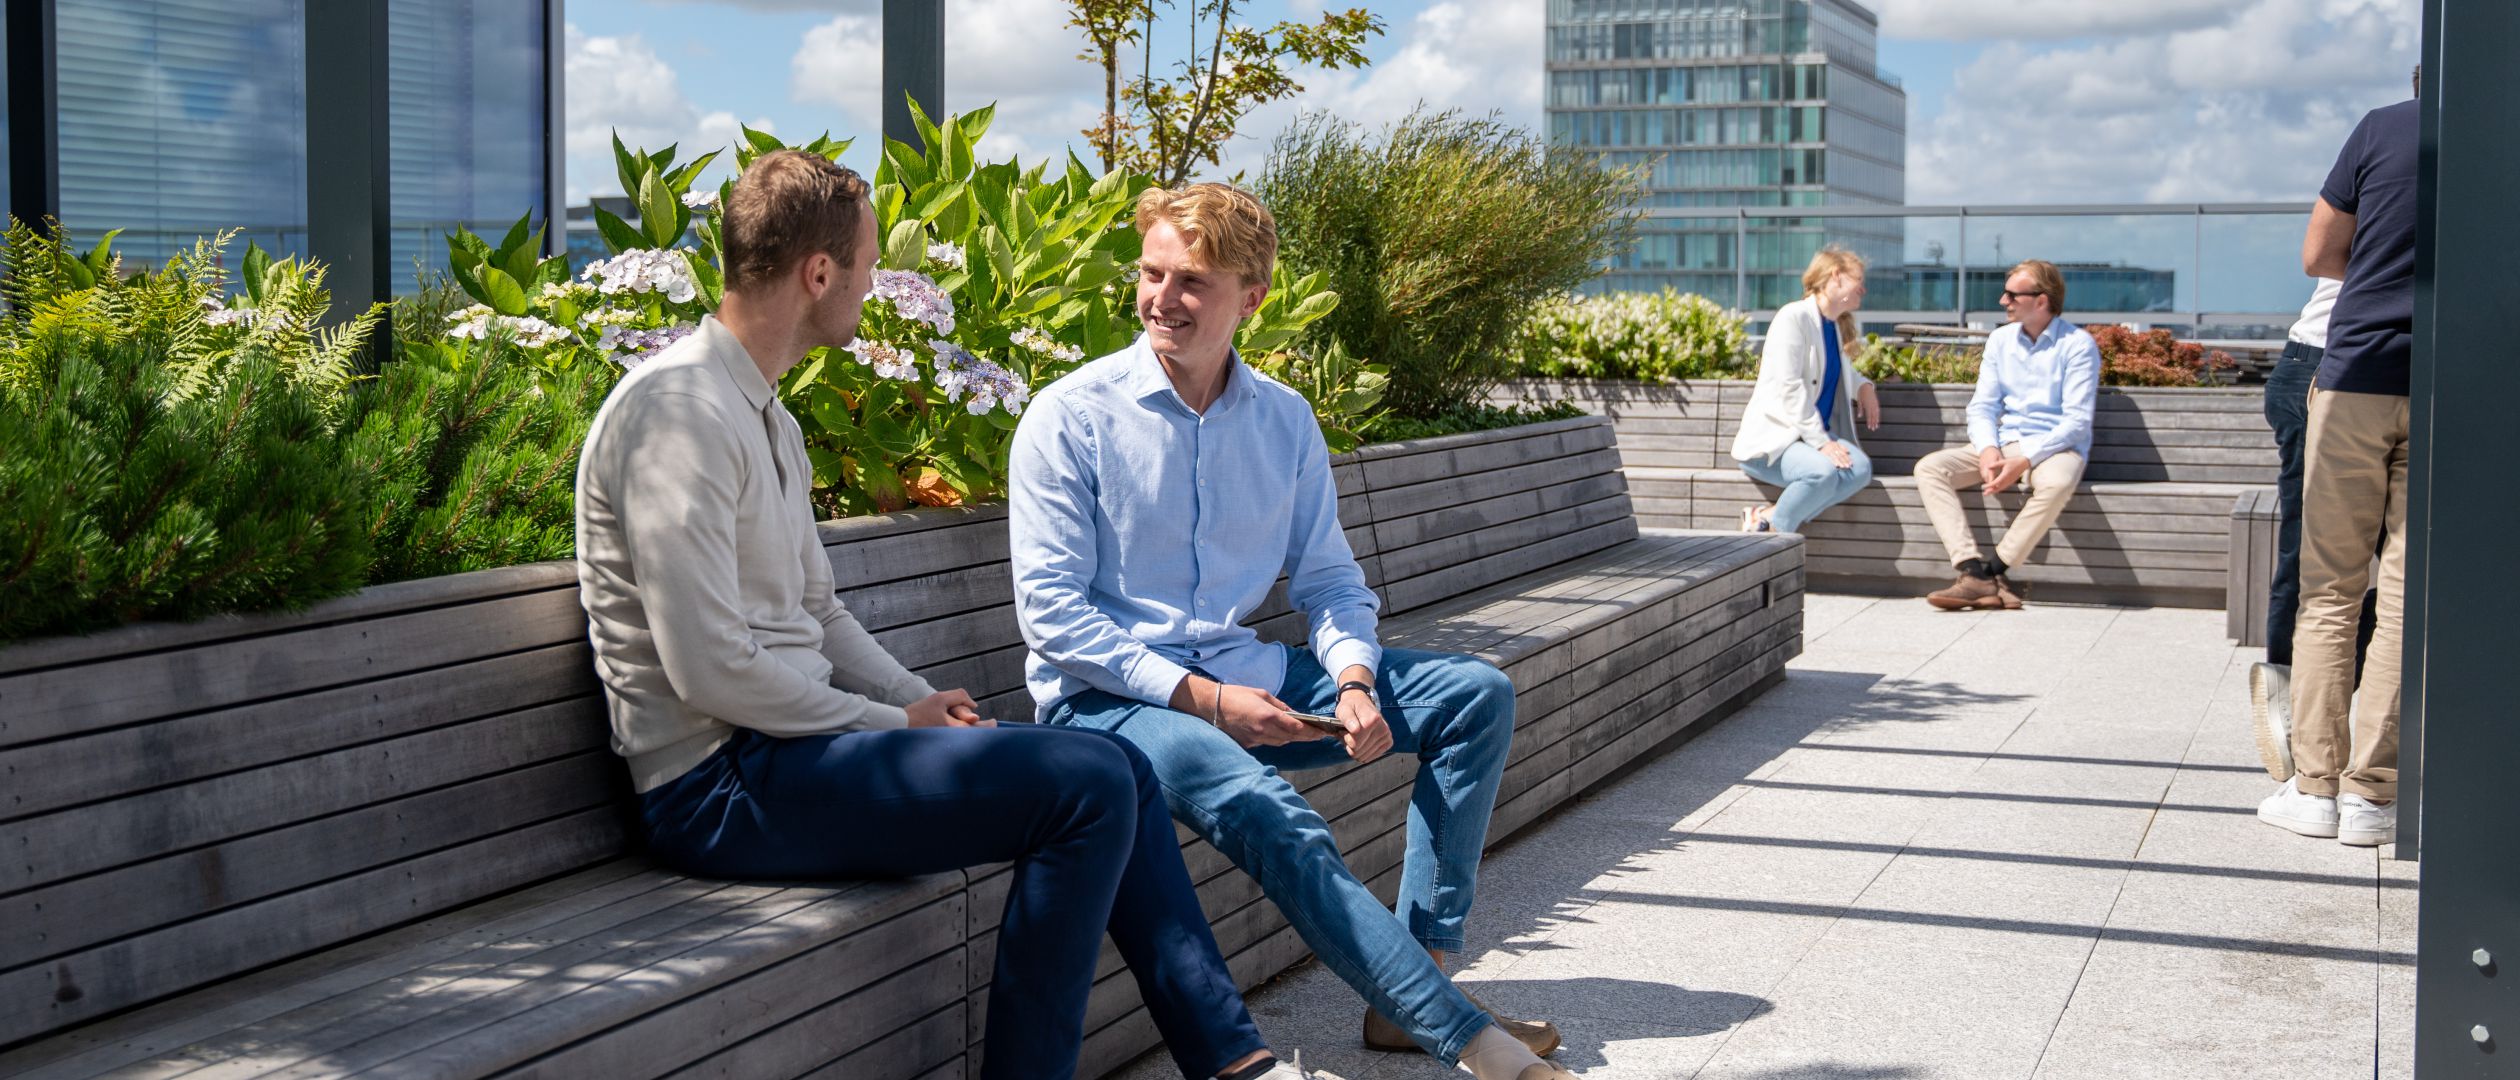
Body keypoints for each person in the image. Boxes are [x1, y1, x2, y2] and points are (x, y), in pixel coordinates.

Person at [574, 151, 1319, 1080]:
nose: (873, 282)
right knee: (1085, 787)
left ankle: (1230, 1062)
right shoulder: (679, 416)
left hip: (797, 752)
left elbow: (818, 610)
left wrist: (917, 698)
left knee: (1116, 765)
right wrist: (891, 721)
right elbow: (709, 672)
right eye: (867, 263)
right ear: (818, 275)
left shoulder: (764, 413)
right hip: (720, 787)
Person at [1008, 182, 1575, 1080]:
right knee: (1277, 813)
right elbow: (1053, 616)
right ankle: (1476, 1046)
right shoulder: (1071, 416)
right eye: (1152, 274)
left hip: (1247, 671)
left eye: (1191, 281)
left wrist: (1353, 680)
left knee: (1475, 695)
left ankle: (1415, 984)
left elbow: (1328, 581)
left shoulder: (1283, 421)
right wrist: (1210, 702)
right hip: (1108, 704)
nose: (1162, 298)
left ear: (1251, 298)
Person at [2257, 74, 2418, 848]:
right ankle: (2371, 798)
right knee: (2406, 593)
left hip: (2355, 375)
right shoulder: (2501, 135)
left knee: (2329, 588)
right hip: (2457, 385)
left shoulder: (2383, 128)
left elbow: (2319, 253)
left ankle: (2315, 787)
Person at [1910, 259, 2101, 611]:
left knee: (2058, 482)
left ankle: (1992, 570)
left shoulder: (2077, 345)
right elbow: (1982, 407)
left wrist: (2025, 459)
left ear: (2041, 301)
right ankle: (1972, 572)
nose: (2003, 301)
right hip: (2004, 441)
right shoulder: (2000, 340)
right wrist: (1987, 450)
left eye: (2013, 294)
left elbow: (2075, 422)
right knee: (1930, 468)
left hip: (2053, 448)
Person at [1729, 246, 1881, 533]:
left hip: (1807, 440)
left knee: (1859, 469)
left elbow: (1842, 369)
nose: (1863, 288)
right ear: (1835, 276)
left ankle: (1767, 517)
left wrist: (1864, 387)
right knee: (1821, 472)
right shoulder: (1794, 317)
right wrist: (1822, 442)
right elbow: (1790, 387)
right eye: (1858, 279)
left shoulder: (1831, 326)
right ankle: (1777, 535)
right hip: (1774, 445)